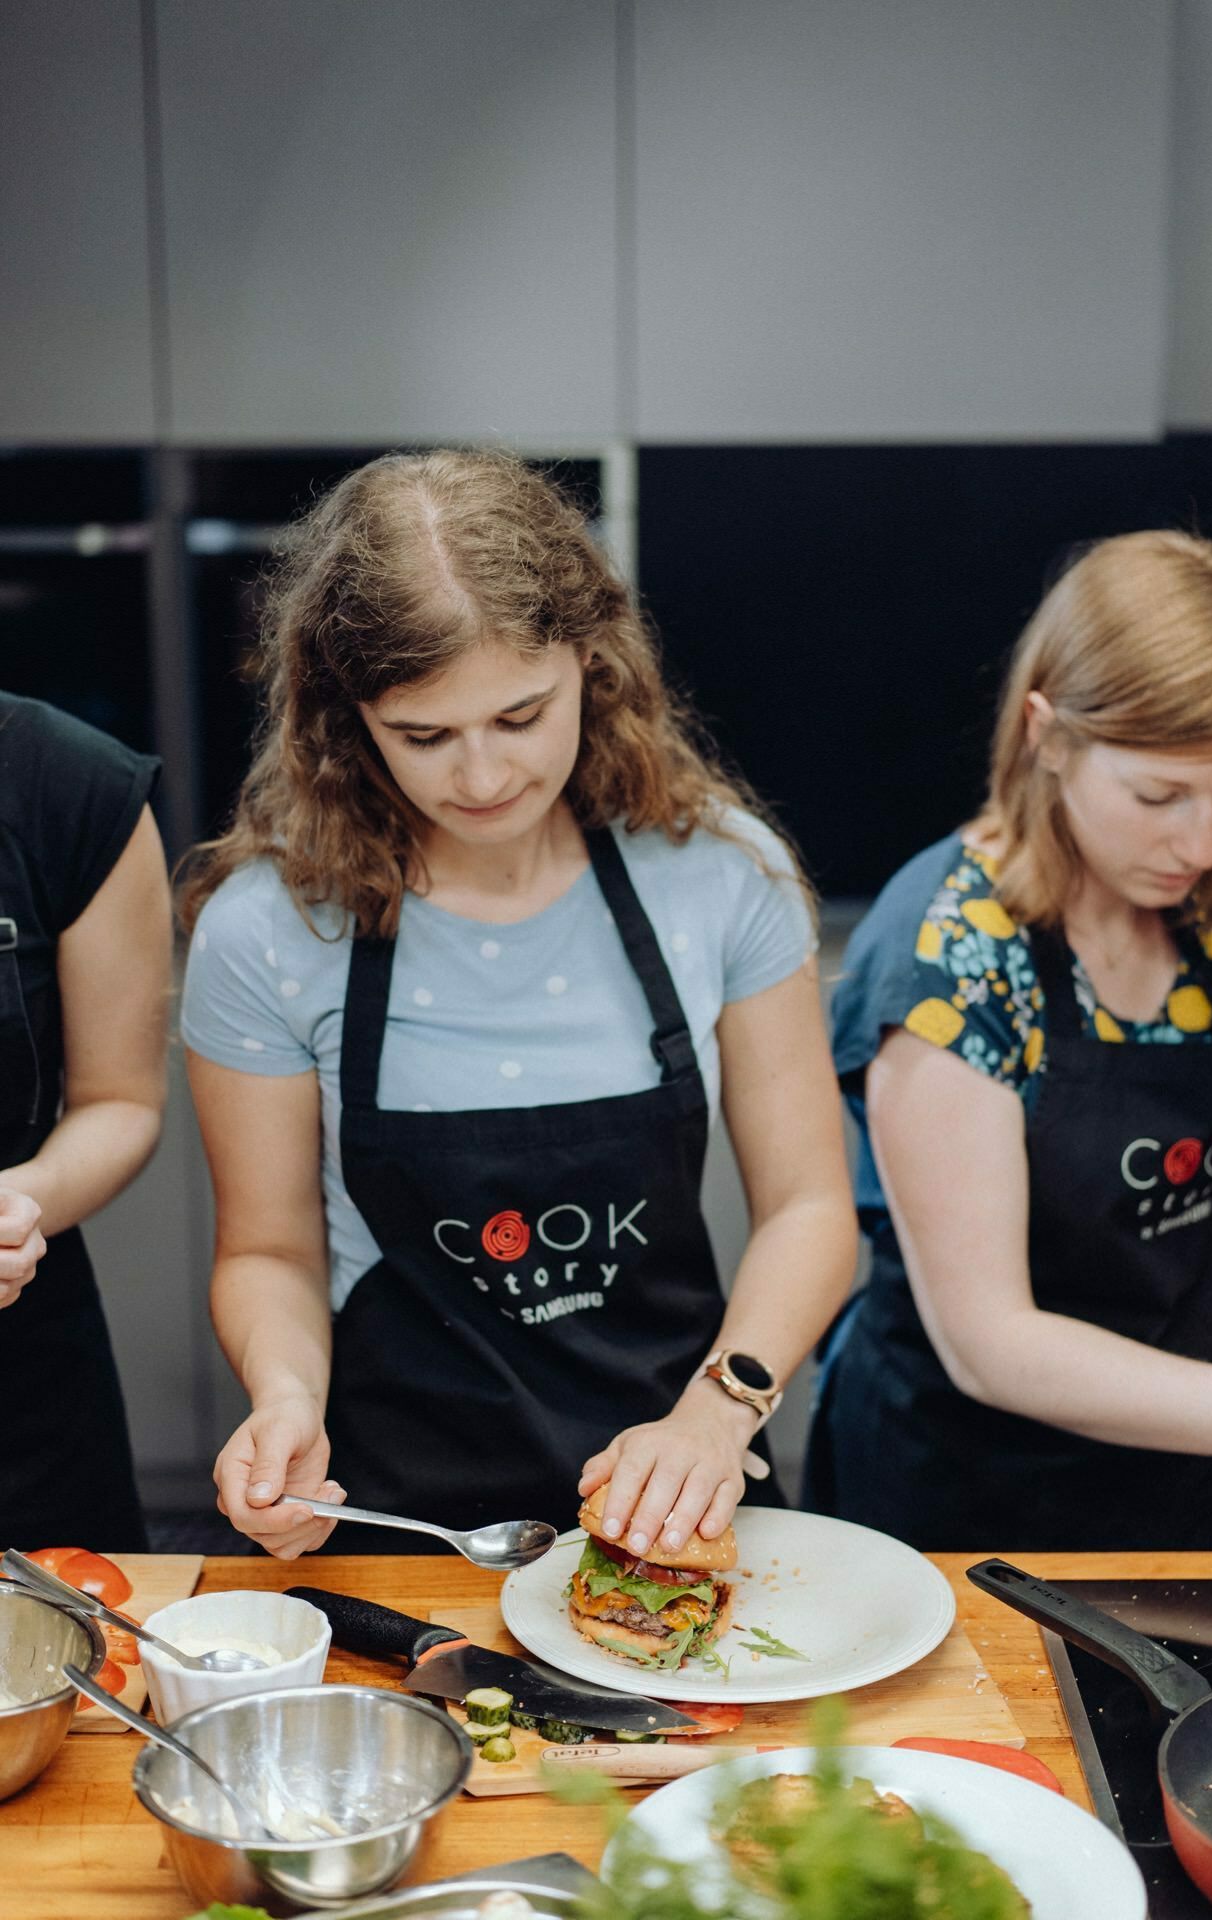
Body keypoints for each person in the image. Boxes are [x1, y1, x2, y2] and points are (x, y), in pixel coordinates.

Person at [179, 449, 857, 1559]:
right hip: (400, 1515)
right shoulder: (269, 928)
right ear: (349, 718)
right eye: (425, 736)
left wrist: (718, 1410)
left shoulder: (718, 876)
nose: (483, 775)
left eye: (520, 714)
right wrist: (286, 1398)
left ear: (589, 662)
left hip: (682, 1487)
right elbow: (268, 1251)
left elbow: (808, 1211)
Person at [804, 530, 1212, 1552]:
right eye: (1157, 796)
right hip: (956, 1506)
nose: (1200, 841)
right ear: (1045, 736)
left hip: (1162, 1478)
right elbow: (991, 1344)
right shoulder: (950, 951)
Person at [0, 693, 170, 1549]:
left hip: (22, 1386)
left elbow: (121, 1101)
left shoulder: (69, 786)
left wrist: (20, 1203)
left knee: (68, 1661)